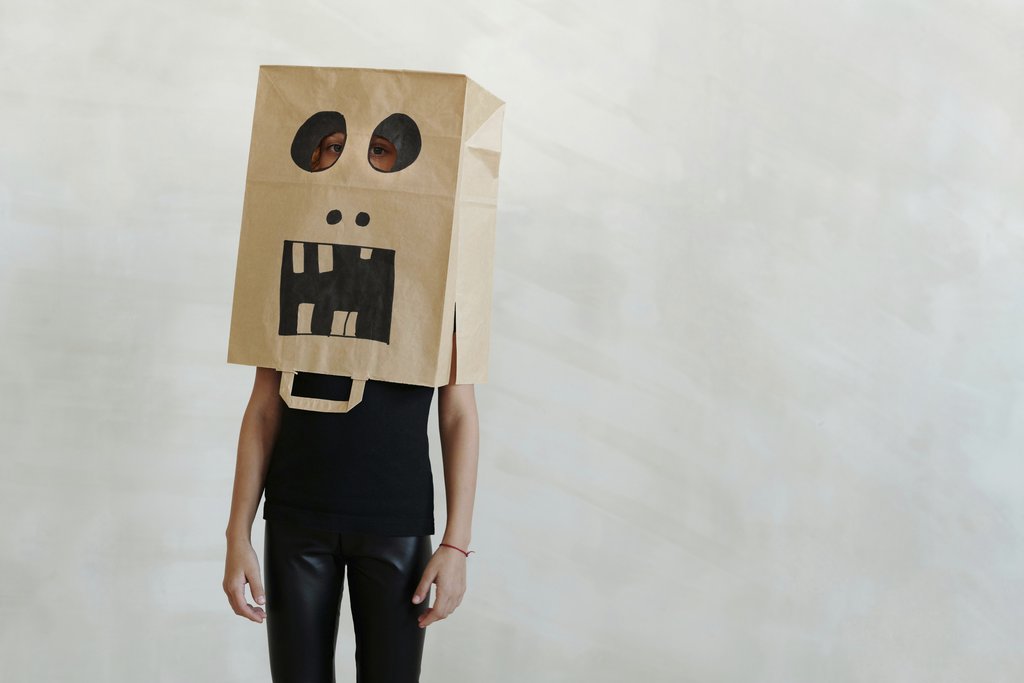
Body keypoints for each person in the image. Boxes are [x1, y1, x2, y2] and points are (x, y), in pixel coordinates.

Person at [222, 130, 480, 682]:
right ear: (312, 160)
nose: (351, 160)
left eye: (377, 148)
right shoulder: (291, 263)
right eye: (333, 146)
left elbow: (458, 411)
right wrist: (237, 535)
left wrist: (456, 545)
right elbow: (265, 406)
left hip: (395, 521)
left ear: (403, 168)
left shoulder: (439, 278)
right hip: (296, 518)